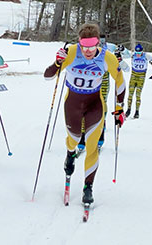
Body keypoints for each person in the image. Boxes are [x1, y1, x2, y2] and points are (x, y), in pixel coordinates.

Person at [44, 23, 126, 204]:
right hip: (72, 104)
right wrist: (58, 62)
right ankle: (70, 153)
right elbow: (48, 76)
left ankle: (88, 187)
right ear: (79, 43)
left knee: (92, 147)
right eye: (84, 46)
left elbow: (120, 80)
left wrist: (120, 107)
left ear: (98, 43)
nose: (88, 51)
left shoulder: (107, 57)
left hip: (95, 105)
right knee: (73, 139)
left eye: (92, 47)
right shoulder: (72, 52)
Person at [77, 42, 130, 154]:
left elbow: (127, 59)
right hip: (90, 80)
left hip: (104, 81)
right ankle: (83, 135)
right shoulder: (87, 45)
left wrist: (121, 53)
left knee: (101, 106)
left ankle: (100, 134)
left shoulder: (110, 46)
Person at [125, 43, 152, 119]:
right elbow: (125, 54)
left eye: (139, 53)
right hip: (133, 76)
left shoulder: (146, 56)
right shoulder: (133, 55)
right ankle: (128, 110)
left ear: (142, 51)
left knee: (138, 95)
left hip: (141, 77)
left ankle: (137, 111)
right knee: (130, 94)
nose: (138, 54)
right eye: (137, 53)